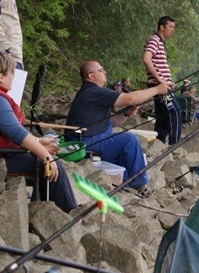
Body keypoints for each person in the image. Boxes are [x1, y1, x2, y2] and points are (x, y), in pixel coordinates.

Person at [0, 51, 77, 213]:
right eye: (11, 75)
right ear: (1, 77)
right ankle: (67, 215)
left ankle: (43, 212)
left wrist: (38, 142)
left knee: (45, 161)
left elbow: (2, 133)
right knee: (48, 165)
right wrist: (46, 156)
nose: (12, 79)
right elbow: (15, 132)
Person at [64, 60, 170, 196]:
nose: (105, 71)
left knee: (123, 146)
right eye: (101, 69)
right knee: (129, 140)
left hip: (89, 138)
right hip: (85, 142)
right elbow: (130, 99)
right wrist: (157, 89)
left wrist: (125, 113)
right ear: (91, 75)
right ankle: (139, 183)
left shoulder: (90, 93)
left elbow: (110, 123)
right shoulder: (94, 92)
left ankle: (124, 180)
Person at [142, 16, 181, 144]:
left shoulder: (158, 41)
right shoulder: (155, 40)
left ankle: (158, 143)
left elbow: (158, 65)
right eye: (170, 27)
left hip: (162, 85)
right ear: (162, 27)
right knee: (175, 112)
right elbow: (146, 59)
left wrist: (168, 80)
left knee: (162, 116)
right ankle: (174, 144)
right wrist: (160, 79)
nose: (172, 30)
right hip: (160, 87)